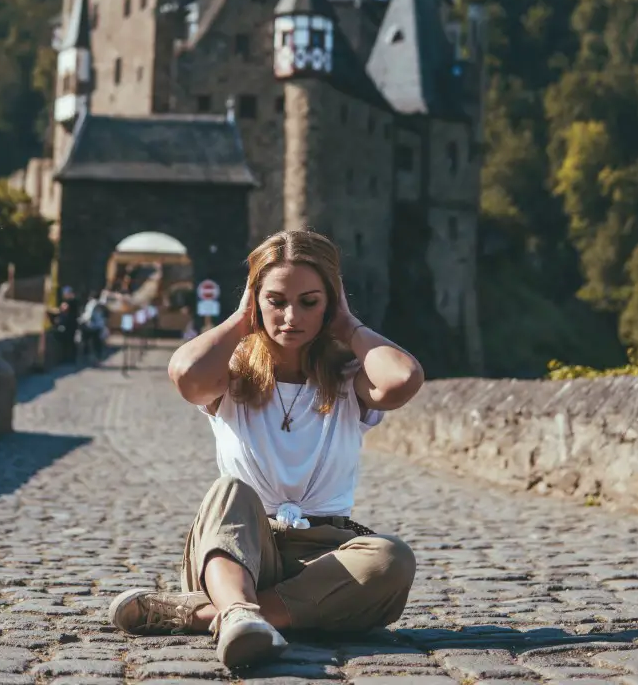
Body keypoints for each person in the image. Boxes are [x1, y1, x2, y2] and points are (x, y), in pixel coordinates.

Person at [108, 230, 424, 669]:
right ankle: (238, 610)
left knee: (392, 559)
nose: (291, 316)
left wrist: (349, 326)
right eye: (276, 301)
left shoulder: (351, 377)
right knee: (229, 491)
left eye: (310, 302)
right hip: (239, 552)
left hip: (325, 561)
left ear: (330, 302)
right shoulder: (231, 374)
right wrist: (243, 318)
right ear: (256, 299)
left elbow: (402, 380)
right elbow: (186, 374)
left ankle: (209, 614)